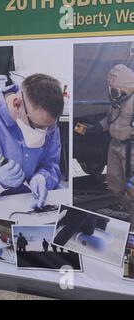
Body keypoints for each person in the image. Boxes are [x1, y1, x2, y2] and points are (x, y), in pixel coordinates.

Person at [0, 74, 64, 209]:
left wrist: (42, 178)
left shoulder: (47, 121)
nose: (44, 132)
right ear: (17, 104)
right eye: (38, 126)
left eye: (49, 127)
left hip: (37, 203)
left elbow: (52, 165)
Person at [79, 64, 134, 229]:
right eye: (112, 90)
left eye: (116, 91)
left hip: (131, 148)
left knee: (131, 189)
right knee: (115, 185)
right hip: (115, 145)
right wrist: (95, 128)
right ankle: (131, 213)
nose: (113, 95)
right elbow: (111, 119)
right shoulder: (118, 101)